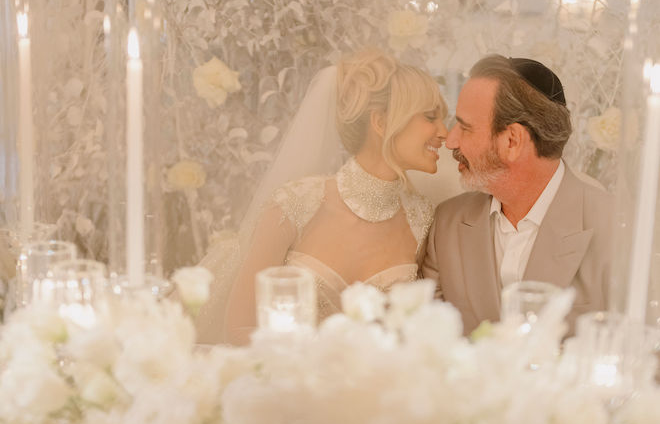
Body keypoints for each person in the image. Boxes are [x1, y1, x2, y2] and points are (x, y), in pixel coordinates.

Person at [198, 48, 448, 344]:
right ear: (380, 122)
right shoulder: (294, 204)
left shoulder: (423, 220)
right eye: (431, 117)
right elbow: (239, 327)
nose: (444, 132)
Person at [422, 54, 612, 335]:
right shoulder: (448, 223)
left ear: (512, 141)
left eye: (465, 127)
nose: (451, 141)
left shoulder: (618, 230)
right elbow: (428, 338)